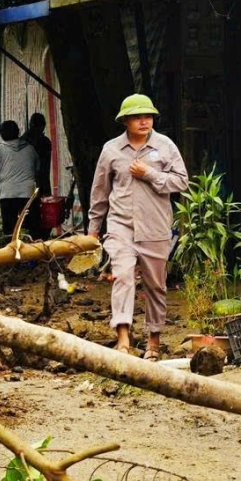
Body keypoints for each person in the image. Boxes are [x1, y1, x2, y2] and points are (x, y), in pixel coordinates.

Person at [87, 94, 187, 359]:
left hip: (155, 227)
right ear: (125, 121)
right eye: (137, 117)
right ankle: (123, 337)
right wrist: (93, 230)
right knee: (122, 275)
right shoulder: (111, 150)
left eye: (148, 116)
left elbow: (181, 182)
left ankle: (153, 341)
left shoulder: (165, 146)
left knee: (156, 285)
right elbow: (99, 193)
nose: (144, 121)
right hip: (121, 226)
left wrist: (150, 174)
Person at [23, 112, 55, 231]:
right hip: (41, 183)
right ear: (42, 126)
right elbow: (44, 168)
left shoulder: (22, 141)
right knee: (43, 217)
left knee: (28, 215)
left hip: (25, 184)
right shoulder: (44, 142)